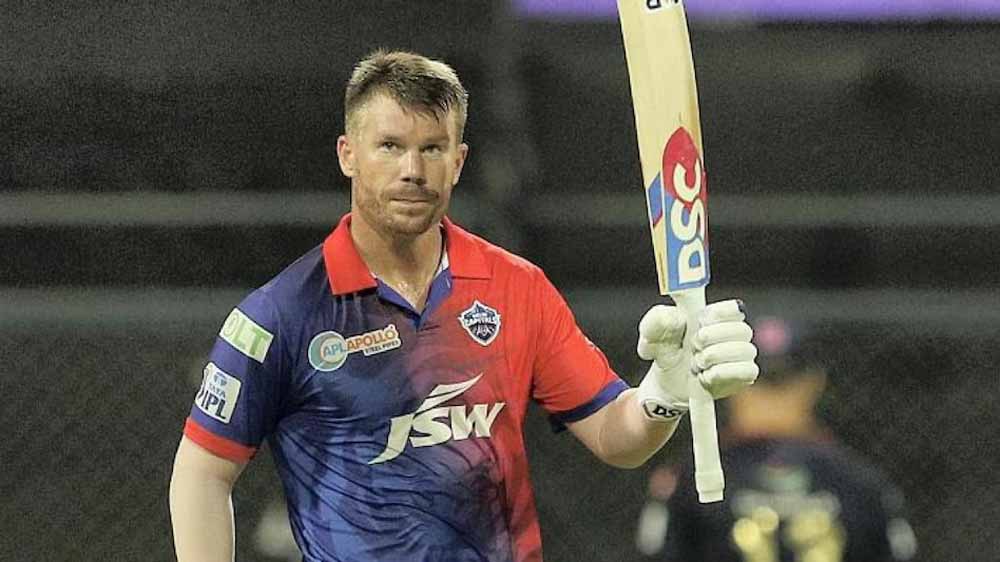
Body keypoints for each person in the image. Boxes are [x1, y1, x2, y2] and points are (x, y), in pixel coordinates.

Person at [168, 49, 759, 562]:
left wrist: (665, 391)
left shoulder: (517, 287)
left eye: (432, 148)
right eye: (390, 146)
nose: (412, 170)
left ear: (458, 160)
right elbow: (203, 471)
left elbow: (615, 436)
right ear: (348, 154)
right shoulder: (281, 314)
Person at [634, 316, 918, 562]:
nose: (770, 401)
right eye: (756, 382)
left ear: (813, 383)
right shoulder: (858, 481)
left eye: (781, 384)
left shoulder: (693, 478)